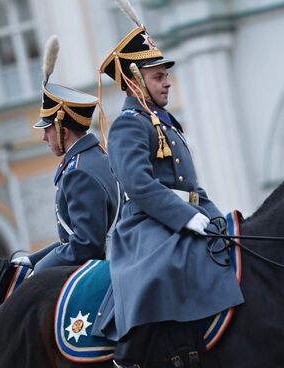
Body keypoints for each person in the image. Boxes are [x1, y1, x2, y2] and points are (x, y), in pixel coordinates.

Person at [91, 10, 244, 367]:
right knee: (161, 270)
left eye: (166, 75)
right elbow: (139, 185)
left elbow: (191, 187)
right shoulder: (128, 125)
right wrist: (186, 218)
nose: (167, 82)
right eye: (158, 76)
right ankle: (139, 353)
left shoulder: (164, 123)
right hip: (146, 227)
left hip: (180, 216)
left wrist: (216, 219)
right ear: (134, 83)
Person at [13, 36, 120, 273]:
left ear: (64, 129)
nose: (44, 137)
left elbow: (87, 244)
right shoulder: (94, 159)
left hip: (99, 274)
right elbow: (72, 237)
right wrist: (33, 260)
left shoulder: (79, 172)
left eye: (48, 129)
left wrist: (39, 271)